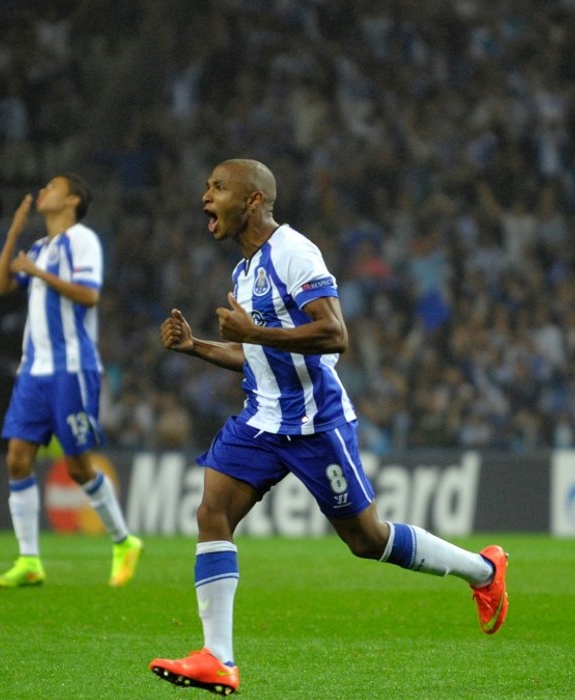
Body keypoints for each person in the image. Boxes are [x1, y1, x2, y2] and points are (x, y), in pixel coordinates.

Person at [149, 159, 508, 695]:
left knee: (367, 540)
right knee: (212, 512)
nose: (206, 197)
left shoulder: (295, 252)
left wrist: (257, 332)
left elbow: (334, 334)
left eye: (218, 187)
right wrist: (196, 346)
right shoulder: (244, 272)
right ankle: (217, 659)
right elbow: (257, 356)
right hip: (261, 418)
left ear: (252, 201)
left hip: (315, 423)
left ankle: (483, 571)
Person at [0, 174, 142, 588]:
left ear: (72, 198)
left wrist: (37, 271)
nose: (43, 191)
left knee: (77, 465)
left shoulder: (82, 240)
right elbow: (0, 284)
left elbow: (89, 295)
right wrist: (15, 232)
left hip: (72, 368)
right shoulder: (39, 247)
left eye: (52, 187)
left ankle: (124, 541)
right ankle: (29, 560)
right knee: (17, 458)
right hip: (33, 371)